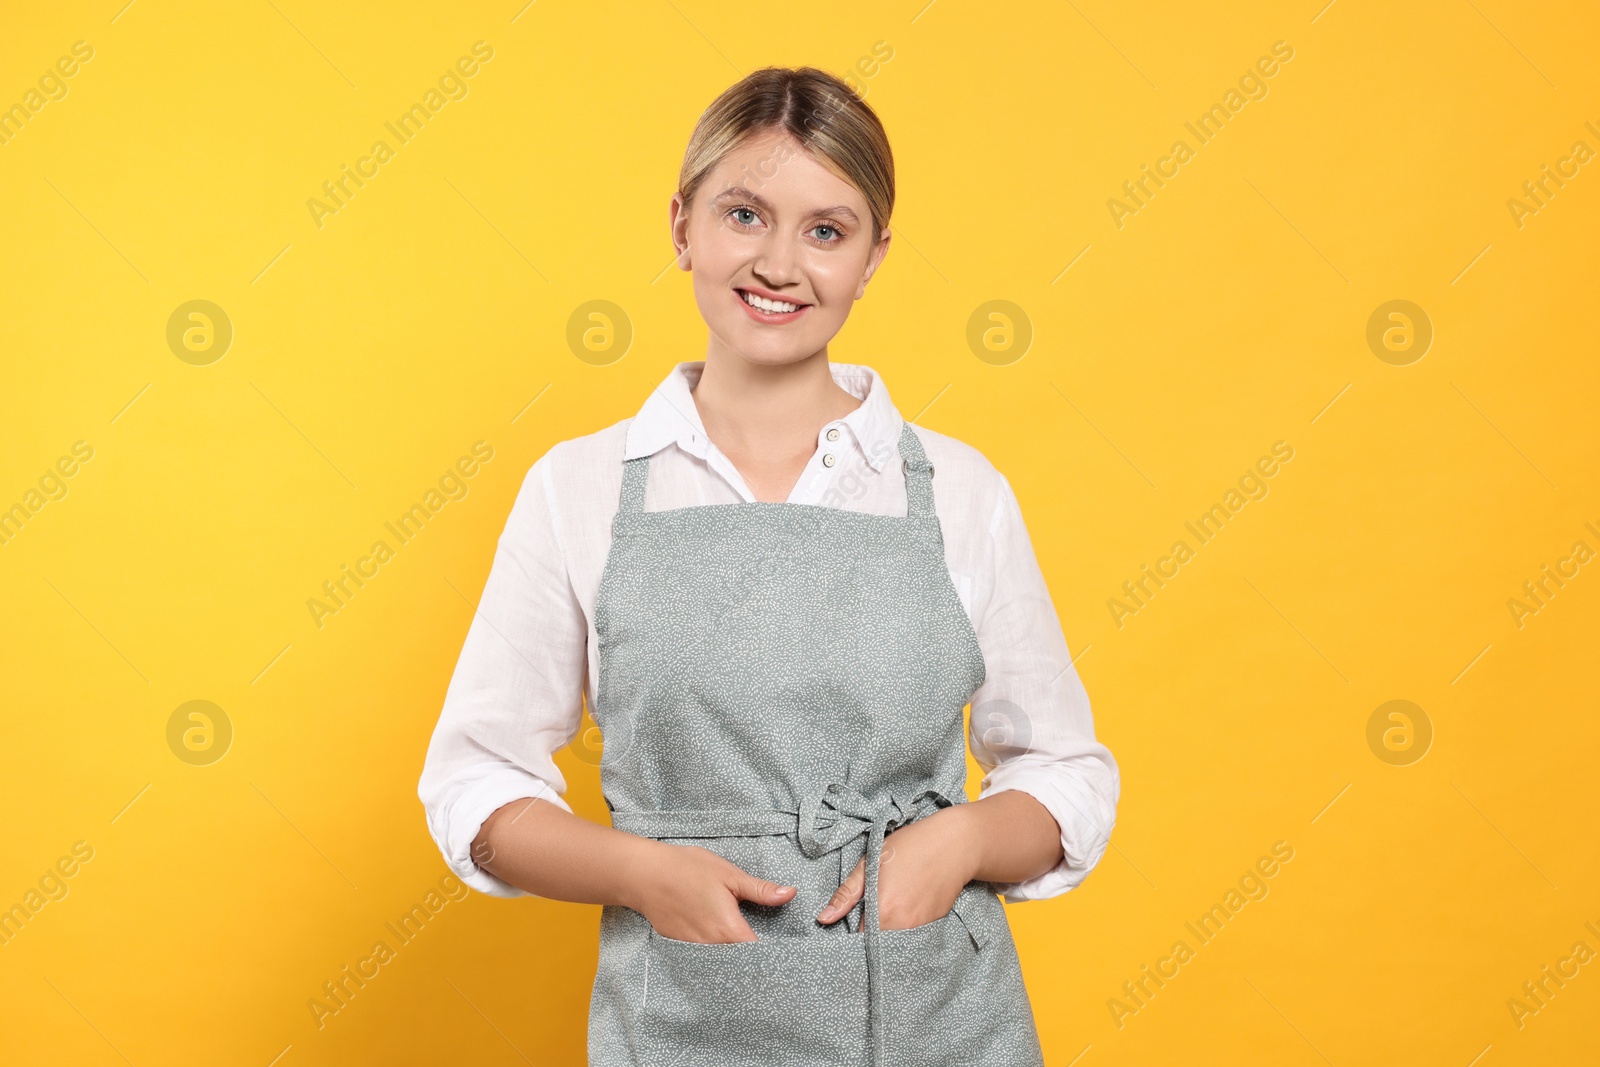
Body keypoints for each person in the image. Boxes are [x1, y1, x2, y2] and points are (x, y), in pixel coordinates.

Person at [417, 65, 1120, 1067]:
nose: (779, 263)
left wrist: (956, 844)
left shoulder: (959, 492)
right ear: (681, 226)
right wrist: (643, 872)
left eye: (825, 231)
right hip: (683, 1022)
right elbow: (475, 784)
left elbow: (1065, 769)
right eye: (745, 213)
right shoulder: (579, 489)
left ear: (872, 258)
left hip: (937, 1014)